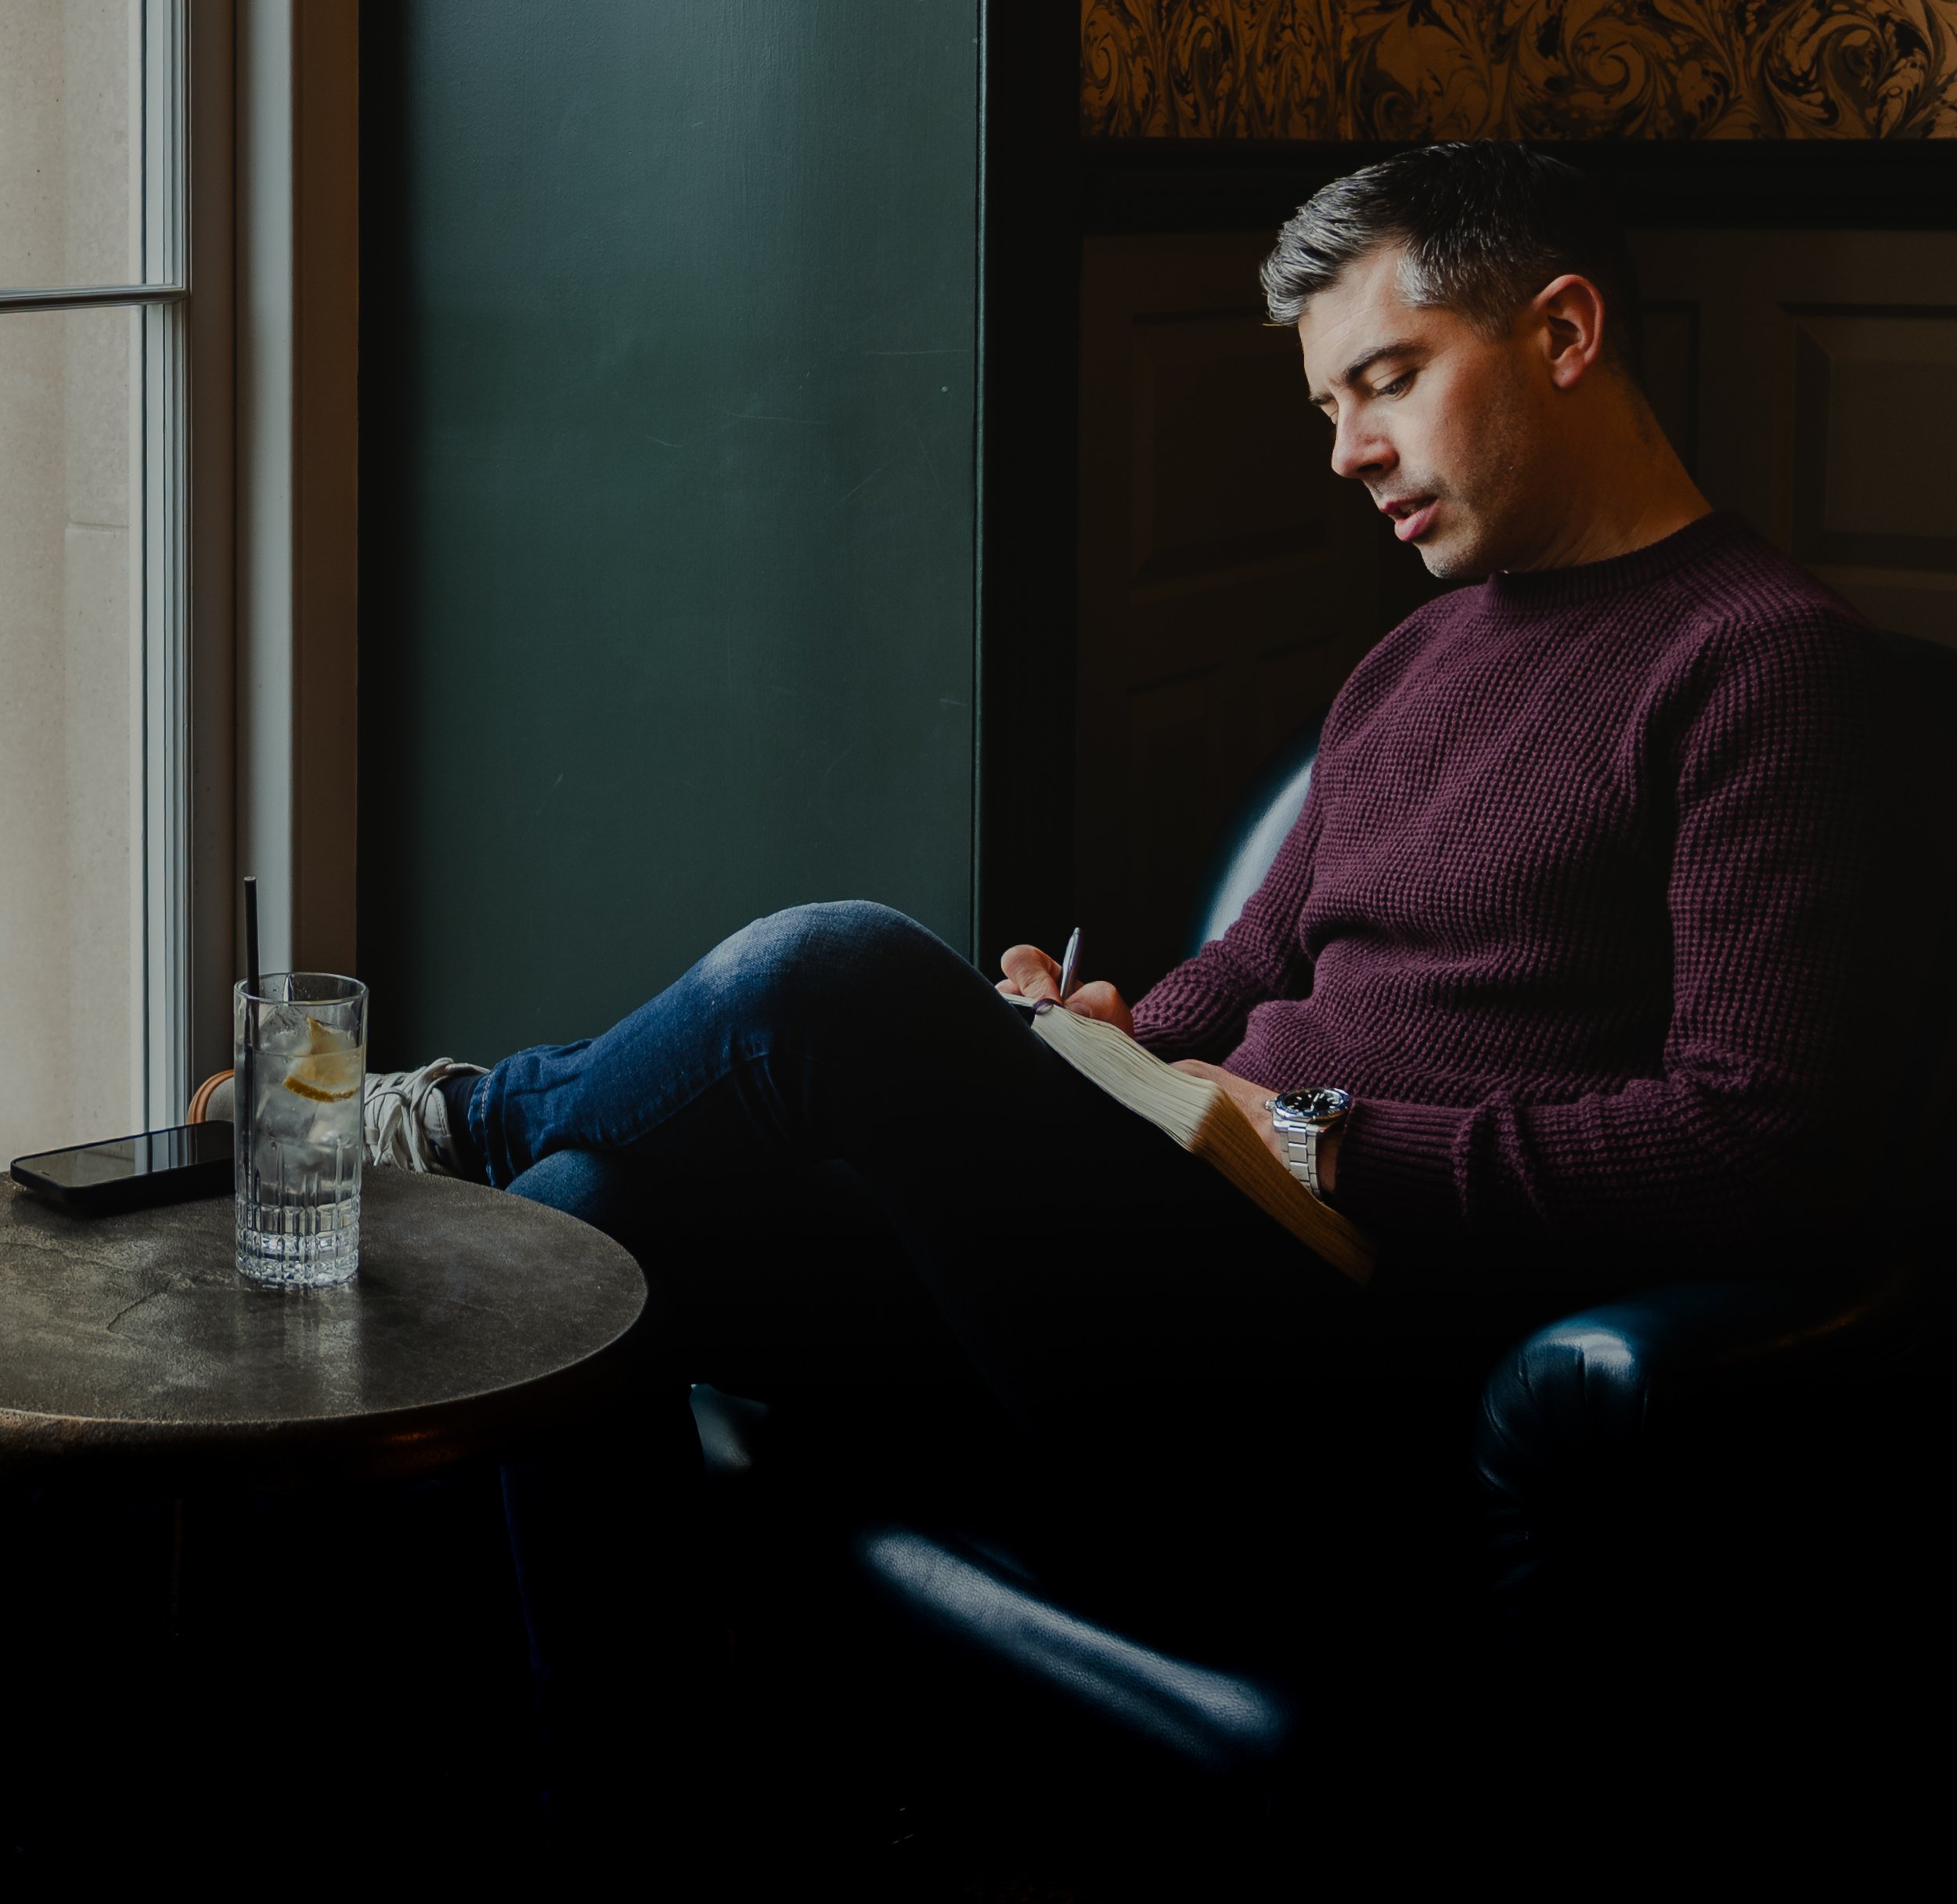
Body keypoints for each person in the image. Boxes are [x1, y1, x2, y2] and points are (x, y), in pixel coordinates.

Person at [206, 146, 1938, 1474]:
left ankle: (437, 1130)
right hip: (1177, 1240)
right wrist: (1107, 1043)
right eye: (1327, 403)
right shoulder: (1414, 657)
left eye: (1387, 379)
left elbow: (1753, 1149)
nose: (1343, 451)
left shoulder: (1766, 669)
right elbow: (1257, 958)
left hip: (1344, 1332)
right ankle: (616, 1812)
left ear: (1560, 331)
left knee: (829, 972)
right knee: (605, 1213)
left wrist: (1317, 1138)